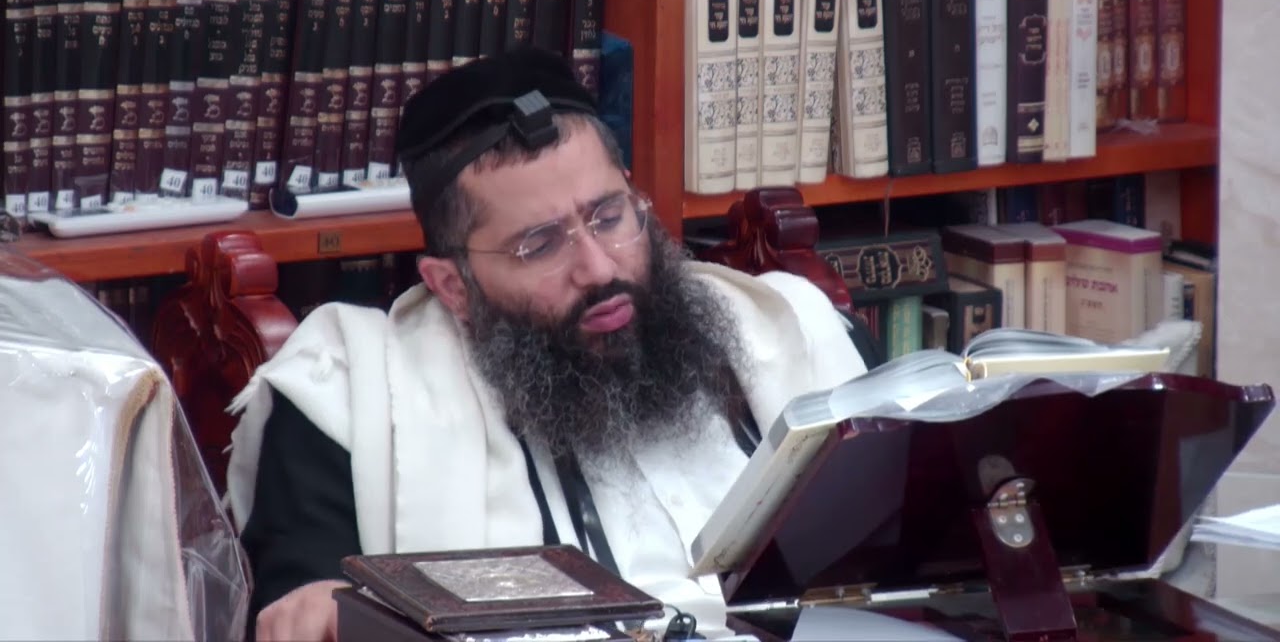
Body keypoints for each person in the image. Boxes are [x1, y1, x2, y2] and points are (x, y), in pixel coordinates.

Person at [224, 47, 868, 642]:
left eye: (609, 217)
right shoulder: (352, 401)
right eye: (539, 245)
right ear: (453, 286)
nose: (599, 269)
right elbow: (302, 607)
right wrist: (320, 606)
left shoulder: (790, 332)